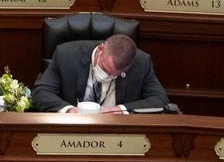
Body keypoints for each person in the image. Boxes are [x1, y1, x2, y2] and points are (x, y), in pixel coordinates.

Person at [32, 34, 169, 112]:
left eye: (113, 75)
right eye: (104, 68)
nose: (106, 76)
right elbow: (41, 93)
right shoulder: (66, 55)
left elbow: (160, 100)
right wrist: (69, 110)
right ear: (100, 49)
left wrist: (120, 109)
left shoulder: (142, 62)